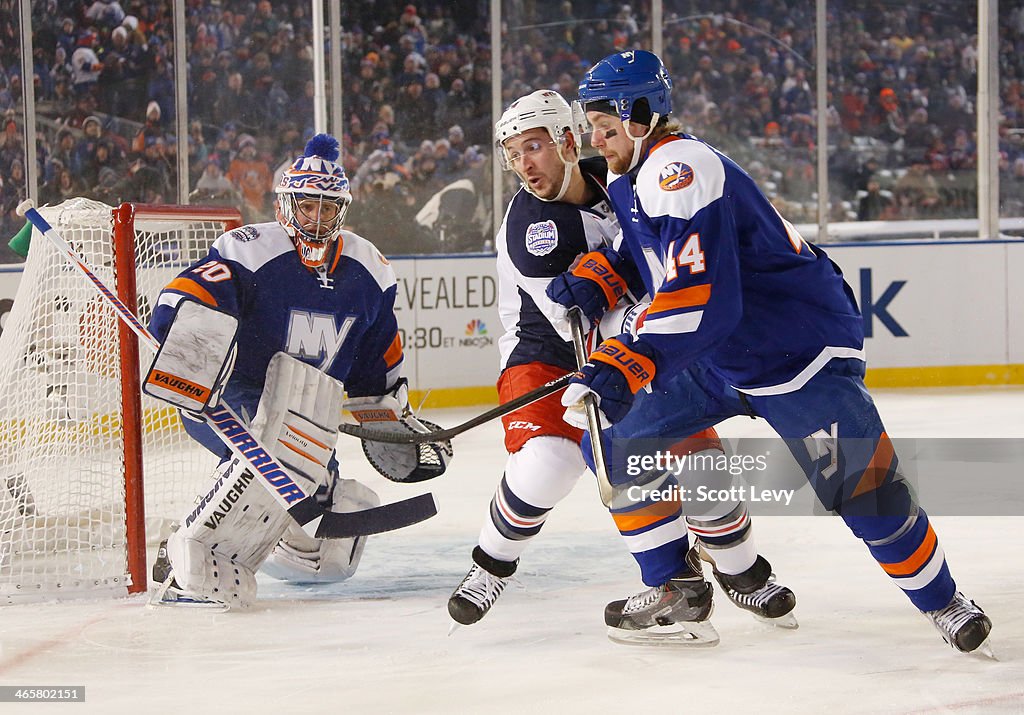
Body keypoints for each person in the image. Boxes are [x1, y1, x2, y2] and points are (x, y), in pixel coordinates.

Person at [546, 50, 991, 654]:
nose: (595, 139)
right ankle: (677, 587)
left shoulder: (678, 167)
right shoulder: (637, 172)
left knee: (864, 488)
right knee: (613, 436)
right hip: (719, 354)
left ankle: (943, 601)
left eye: (604, 125)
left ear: (643, 115)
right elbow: (657, 251)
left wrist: (631, 358)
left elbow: (703, 296)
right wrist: (609, 270)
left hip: (792, 349)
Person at [447, 90, 796, 645]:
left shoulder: (622, 179)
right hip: (547, 355)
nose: (524, 165)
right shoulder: (532, 228)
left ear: (567, 140)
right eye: (513, 155)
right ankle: (494, 565)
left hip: (630, 342)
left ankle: (743, 571)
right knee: (553, 460)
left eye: (533, 147)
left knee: (696, 454)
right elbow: (578, 318)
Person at [144, 134, 447, 608]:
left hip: (310, 410)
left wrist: (387, 416)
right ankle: (187, 560)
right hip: (235, 392)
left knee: (327, 561)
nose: (316, 219)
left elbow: (375, 358)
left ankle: (253, 543)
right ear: (287, 204)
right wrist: (183, 344)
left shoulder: (369, 270)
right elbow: (187, 296)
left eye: (328, 209)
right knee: (271, 463)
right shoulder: (250, 250)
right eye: (307, 207)